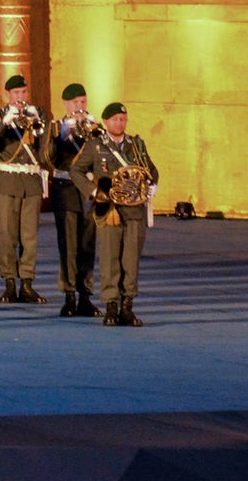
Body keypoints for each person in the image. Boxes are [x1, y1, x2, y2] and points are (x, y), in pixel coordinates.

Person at [71, 101, 159, 327]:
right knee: (110, 258)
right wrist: (93, 192)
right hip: (109, 209)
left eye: (123, 119)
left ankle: (127, 305)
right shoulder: (95, 145)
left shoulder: (136, 145)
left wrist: (153, 184)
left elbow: (150, 169)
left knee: (131, 259)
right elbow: (76, 170)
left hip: (134, 210)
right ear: (106, 121)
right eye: (115, 119)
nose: (120, 123)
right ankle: (111, 305)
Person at [0, 74, 49, 303]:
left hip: (30, 181)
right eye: (16, 93)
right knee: (7, 234)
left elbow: (44, 149)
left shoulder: (37, 114)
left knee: (29, 236)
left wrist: (40, 123)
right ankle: (9, 282)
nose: (21, 97)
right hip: (8, 181)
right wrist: (5, 122)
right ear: (8, 95)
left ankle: (27, 282)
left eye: (24, 92)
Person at [46, 82, 101, 317]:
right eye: (76, 103)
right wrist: (61, 137)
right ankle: (69, 295)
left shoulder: (94, 127)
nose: (80, 107)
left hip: (88, 190)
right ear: (66, 104)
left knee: (88, 244)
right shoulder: (55, 126)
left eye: (83, 102)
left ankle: (85, 295)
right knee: (68, 244)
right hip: (66, 188)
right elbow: (47, 158)